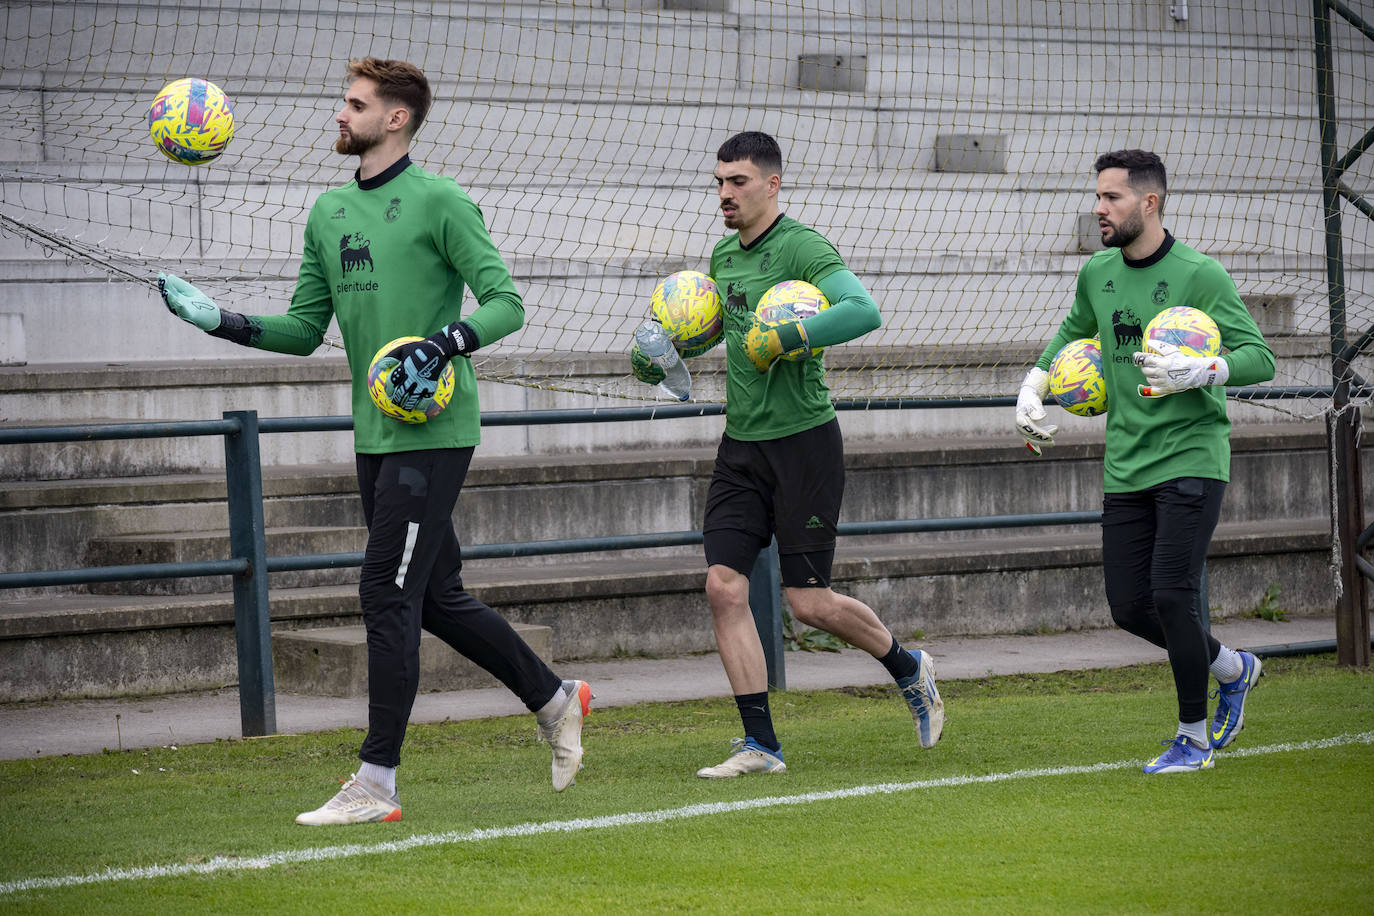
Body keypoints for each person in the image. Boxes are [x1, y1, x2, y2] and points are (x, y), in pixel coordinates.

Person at [159, 57, 593, 823]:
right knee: (436, 598)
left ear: (396, 119)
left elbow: (506, 302)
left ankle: (376, 783)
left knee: (383, 592)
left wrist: (447, 340)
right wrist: (219, 319)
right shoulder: (327, 214)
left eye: (354, 104)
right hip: (373, 435)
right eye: (343, 102)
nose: (339, 114)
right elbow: (302, 332)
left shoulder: (442, 201)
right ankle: (556, 699)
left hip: (434, 432)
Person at [634, 131, 944, 777]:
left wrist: (787, 339)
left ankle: (908, 666)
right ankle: (760, 746)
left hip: (805, 444)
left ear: (772, 185)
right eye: (719, 181)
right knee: (723, 587)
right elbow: (704, 334)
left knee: (809, 603)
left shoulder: (803, 246)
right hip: (741, 445)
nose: (724, 193)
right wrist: (659, 352)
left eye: (737, 181)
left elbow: (863, 310)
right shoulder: (722, 256)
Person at [1014, 149, 1274, 774]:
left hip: (1191, 457)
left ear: (1149, 203)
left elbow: (1259, 357)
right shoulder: (1097, 273)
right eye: (1098, 197)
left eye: (1112, 198)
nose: (1098, 209)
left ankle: (1192, 738)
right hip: (1126, 462)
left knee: (1171, 594)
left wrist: (1206, 368)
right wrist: (1032, 384)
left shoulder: (1200, 274)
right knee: (1129, 606)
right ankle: (1232, 669)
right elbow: (1070, 336)